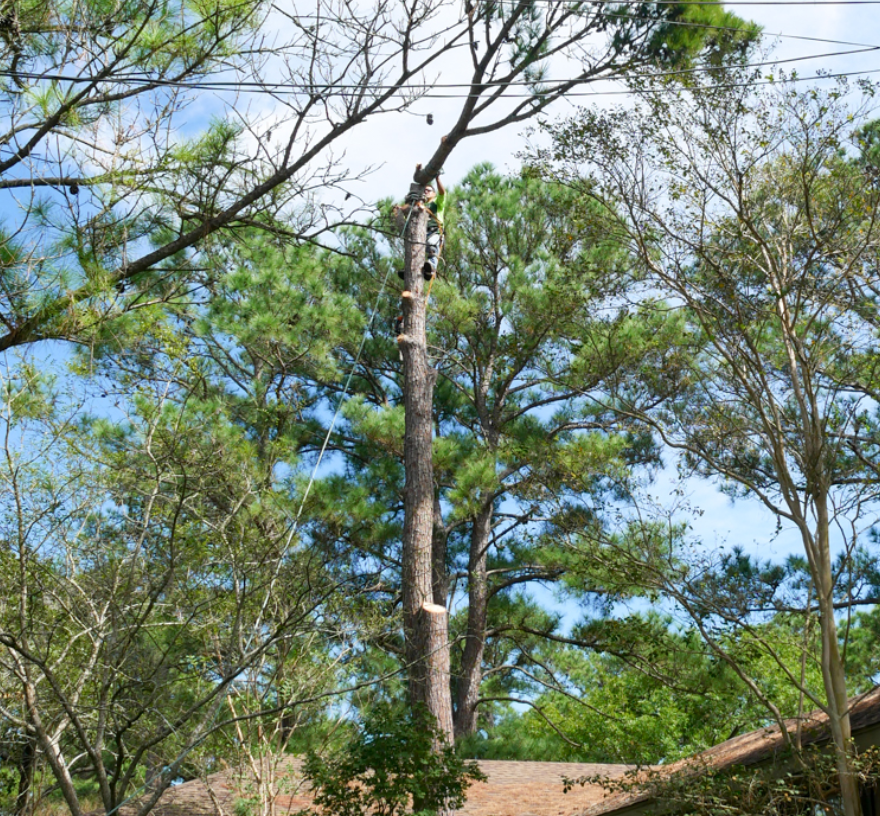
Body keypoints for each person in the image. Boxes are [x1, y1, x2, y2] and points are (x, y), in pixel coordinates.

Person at [423, 173, 446, 279]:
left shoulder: (437, 202)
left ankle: (431, 268)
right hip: (421, 232)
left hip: (434, 231)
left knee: (432, 246)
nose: (426, 192)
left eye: (428, 190)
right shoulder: (420, 205)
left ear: (434, 193)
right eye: (424, 190)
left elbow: (442, 192)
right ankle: (412, 270)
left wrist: (437, 179)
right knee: (413, 250)